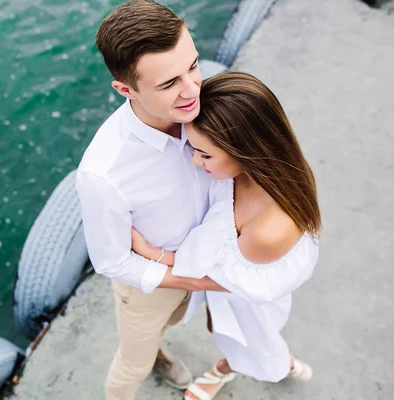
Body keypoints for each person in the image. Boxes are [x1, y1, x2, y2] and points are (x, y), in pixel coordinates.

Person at [131, 71, 321, 400]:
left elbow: (222, 281)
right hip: (237, 279)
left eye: (205, 155)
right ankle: (262, 362)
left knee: (251, 341)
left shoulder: (268, 229)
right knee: (222, 329)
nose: (194, 160)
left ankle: (242, 367)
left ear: (245, 151)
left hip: (248, 294)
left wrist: (154, 255)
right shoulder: (266, 167)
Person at [75, 1, 226, 399]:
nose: (193, 89)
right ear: (126, 90)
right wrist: (193, 278)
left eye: (192, 66)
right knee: (131, 364)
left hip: (198, 259)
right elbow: (109, 260)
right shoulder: (103, 175)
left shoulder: (203, 104)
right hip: (149, 285)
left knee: (175, 321)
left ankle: (158, 348)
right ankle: (148, 359)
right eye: (168, 84)